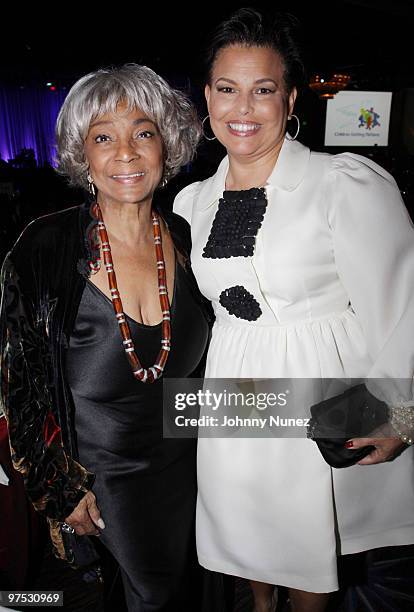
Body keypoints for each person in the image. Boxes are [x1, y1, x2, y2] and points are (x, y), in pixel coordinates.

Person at [173, 9, 414, 612]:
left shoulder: (346, 184)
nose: (243, 109)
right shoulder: (191, 201)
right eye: (227, 89)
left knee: (311, 561)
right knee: (245, 545)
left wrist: (398, 411)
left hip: (320, 390)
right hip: (235, 390)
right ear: (206, 97)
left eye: (263, 90)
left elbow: (404, 303)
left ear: (290, 97)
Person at [0, 63, 211, 611]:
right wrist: (58, 489)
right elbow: (20, 388)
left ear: (167, 144)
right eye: (103, 137)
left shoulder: (192, 240)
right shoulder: (43, 247)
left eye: (143, 132)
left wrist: (375, 414)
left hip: (192, 486)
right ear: (82, 155)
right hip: (99, 497)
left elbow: (228, 373)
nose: (126, 152)